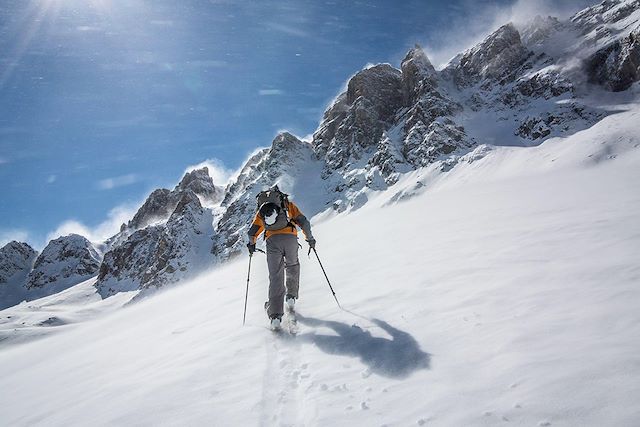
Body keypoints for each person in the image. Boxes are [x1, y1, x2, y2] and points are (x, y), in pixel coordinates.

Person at [247, 185, 315, 329]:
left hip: (272, 242)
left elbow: (252, 232)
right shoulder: (286, 204)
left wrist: (251, 245)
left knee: (276, 276)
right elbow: (303, 222)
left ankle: (275, 316)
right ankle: (290, 296)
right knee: (292, 265)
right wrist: (310, 238)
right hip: (290, 238)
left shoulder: (261, 211)